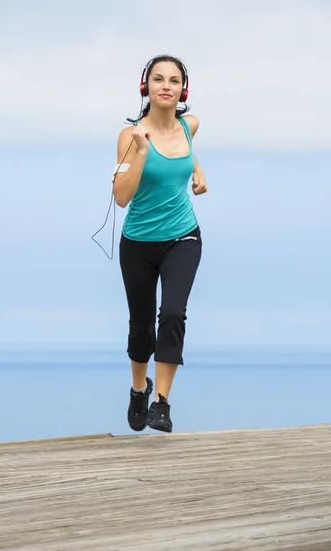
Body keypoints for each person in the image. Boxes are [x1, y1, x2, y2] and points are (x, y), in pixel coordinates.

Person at [112, 54, 207, 433]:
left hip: (183, 236)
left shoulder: (190, 125)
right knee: (141, 328)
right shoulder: (129, 136)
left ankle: (161, 403)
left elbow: (186, 152)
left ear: (183, 89)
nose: (166, 85)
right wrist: (141, 152)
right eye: (158, 79)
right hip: (138, 242)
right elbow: (121, 196)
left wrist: (199, 172)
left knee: (172, 314)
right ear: (145, 86)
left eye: (173, 80)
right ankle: (140, 388)